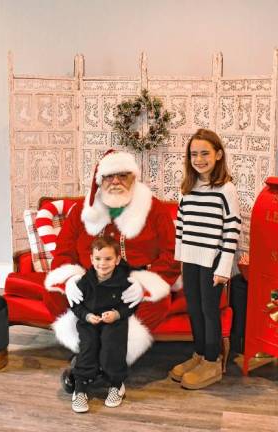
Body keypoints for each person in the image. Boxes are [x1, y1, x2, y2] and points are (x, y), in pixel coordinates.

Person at [44, 150, 180, 391]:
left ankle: (90, 366)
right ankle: (99, 365)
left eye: (122, 175)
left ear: (133, 178)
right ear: (99, 180)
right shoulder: (82, 211)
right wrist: (72, 280)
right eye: (109, 176)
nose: (115, 181)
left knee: (158, 301)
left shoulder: (154, 209)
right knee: (53, 293)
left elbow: (171, 255)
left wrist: (144, 283)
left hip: (132, 281)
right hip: (90, 279)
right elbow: (63, 252)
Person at [170, 128, 241, 389]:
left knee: (210, 312)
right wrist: (181, 260)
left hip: (213, 261)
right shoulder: (187, 188)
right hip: (190, 259)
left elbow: (232, 228)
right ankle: (199, 355)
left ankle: (212, 361)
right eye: (193, 154)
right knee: (195, 310)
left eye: (205, 153)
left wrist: (224, 267)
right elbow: (181, 226)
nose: (199, 159)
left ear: (218, 155)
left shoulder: (226, 189)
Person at [70, 237, 134, 413]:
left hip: (113, 320)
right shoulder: (85, 280)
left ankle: (116, 383)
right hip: (90, 320)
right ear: (91, 259)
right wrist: (87, 315)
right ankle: (80, 386)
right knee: (88, 345)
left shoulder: (124, 281)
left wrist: (117, 314)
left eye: (108, 259)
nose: (103, 264)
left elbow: (130, 304)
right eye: (98, 259)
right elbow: (75, 304)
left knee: (111, 343)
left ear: (117, 260)